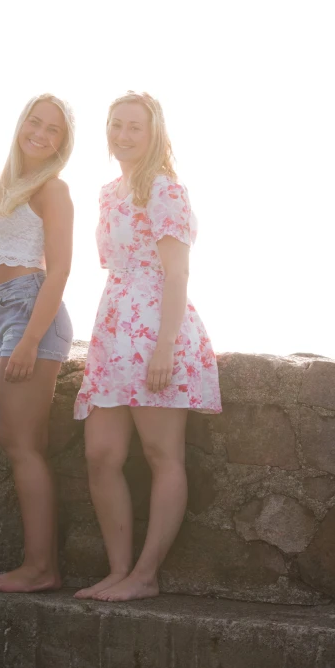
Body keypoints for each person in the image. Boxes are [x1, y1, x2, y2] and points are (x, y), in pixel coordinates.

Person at [74, 91, 222, 602]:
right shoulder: (109, 192)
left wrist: (165, 348)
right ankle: (118, 571)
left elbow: (176, 273)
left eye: (134, 126)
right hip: (114, 329)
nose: (123, 135)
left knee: (162, 454)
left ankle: (145, 575)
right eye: (116, 125)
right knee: (101, 453)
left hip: (157, 330)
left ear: (153, 132)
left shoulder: (165, 190)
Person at [0, 93, 75, 593]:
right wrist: (1, 335)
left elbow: (58, 270)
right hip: (5, 313)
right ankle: (39, 564)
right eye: (34, 123)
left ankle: (41, 568)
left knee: (23, 446)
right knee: (16, 442)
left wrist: (27, 340)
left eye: (53, 129)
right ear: (21, 124)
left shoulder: (53, 190)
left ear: (63, 142)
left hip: (31, 314)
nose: (40, 133)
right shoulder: (6, 183)